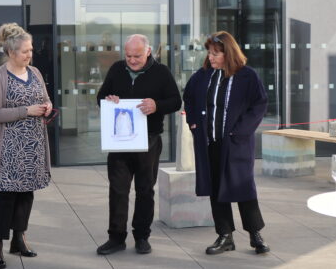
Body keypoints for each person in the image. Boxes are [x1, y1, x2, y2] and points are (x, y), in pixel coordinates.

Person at [183, 31, 270, 255]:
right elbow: (189, 97)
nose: (211, 57)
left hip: (236, 144)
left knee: (243, 187)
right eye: (209, 53)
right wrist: (193, 123)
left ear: (228, 53)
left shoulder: (247, 76)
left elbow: (259, 105)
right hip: (210, 142)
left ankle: (255, 235)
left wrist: (241, 132)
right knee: (215, 190)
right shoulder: (203, 76)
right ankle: (225, 236)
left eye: (216, 53)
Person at [96, 34, 182, 255]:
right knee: (118, 191)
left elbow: (175, 101)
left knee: (145, 191)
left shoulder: (161, 73)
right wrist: (109, 99)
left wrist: (157, 105)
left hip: (149, 140)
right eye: (128, 56)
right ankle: (116, 238)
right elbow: (101, 97)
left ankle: (142, 236)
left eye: (137, 56)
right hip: (119, 143)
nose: (132, 60)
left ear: (148, 52)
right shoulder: (117, 69)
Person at [0, 23, 53, 269]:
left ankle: (19, 239)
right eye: (25, 51)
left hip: (33, 146)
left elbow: (45, 100)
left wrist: (47, 107)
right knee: (5, 197)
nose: (29, 54)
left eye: (30, 50)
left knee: (26, 194)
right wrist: (26, 111)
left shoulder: (35, 73)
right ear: (11, 52)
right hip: (9, 150)